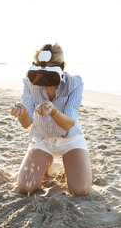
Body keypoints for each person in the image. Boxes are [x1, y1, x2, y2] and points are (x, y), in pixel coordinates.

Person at [10, 43, 92, 196]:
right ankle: (46, 162)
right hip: (43, 139)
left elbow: (69, 124)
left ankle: (73, 162)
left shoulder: (75, 83)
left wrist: (54, 112)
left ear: (61, 67)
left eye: (50, 69)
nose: (44, 75)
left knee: (80, 189)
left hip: (70, 139)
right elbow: (27, 124)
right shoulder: (30, 82)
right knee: (25, 187)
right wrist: (22, 114)